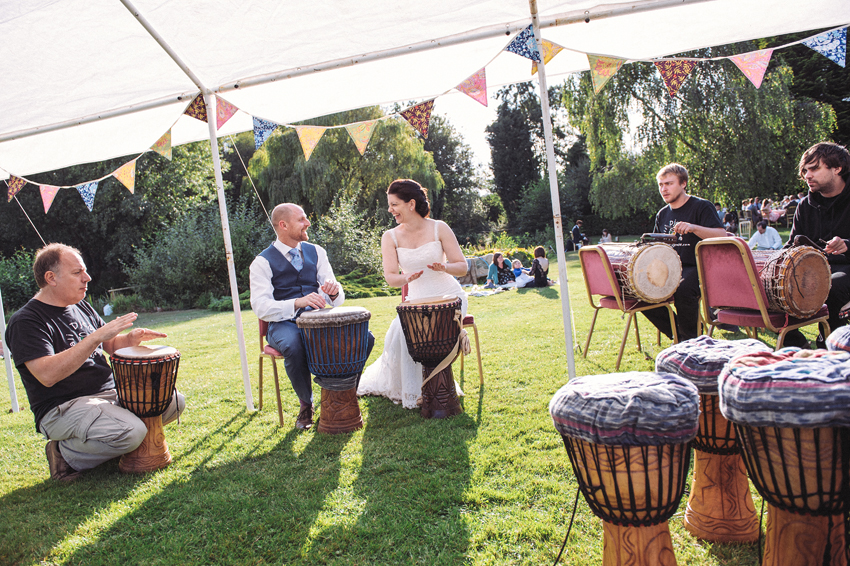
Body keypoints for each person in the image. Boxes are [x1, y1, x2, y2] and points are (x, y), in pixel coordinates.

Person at [4, 243, 185, 482]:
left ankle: (108, 439)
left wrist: (130, 339)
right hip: (63, 407)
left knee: (173, 402)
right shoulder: (26, 321)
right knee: (133, 432)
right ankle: (63, 454)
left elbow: (108, 345)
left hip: (108, 394)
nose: (87, 278)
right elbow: (46, 374)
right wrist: (95, 337)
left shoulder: (80, 306)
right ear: (51, 278)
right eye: (77, 273)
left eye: (85, 271)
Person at [250, 203, 373, 431]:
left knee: (366, 337)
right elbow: (261, 307)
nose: (307, 223)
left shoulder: (317, 251)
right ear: (283, 225)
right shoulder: (262, 262)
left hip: (319, 320)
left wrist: (334, 291)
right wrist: (297, 303)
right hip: (282, 325)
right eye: (302, 219)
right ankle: (306, 404)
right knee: (294, 345)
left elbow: (337, 295)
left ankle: (344, 392)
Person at [357, 179, 468, 409]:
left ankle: (435, 386)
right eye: (389, 204)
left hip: (448, 296)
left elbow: (462, 267)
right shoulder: (390, 237)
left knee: (435, 334)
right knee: (398, 336)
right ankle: (419, 390)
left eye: (394, 204)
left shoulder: (439, 227)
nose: (390, 210)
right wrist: (405, 278)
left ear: (411, 204)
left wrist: (444, 266)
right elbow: (390, 277)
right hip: (415, 299)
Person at [641, 163, 726, 342]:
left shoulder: (702, 206)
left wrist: (694, 228)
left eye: (669, 184)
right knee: (641, 289)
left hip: (700, 267)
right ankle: (681, 336)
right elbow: (658, 248)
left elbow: (721, 234)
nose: (663, 189)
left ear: (683, 184)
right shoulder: (662, 214)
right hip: (671, 268)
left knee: (682, 288)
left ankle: (690, 339)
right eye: (661, 185)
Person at [781, 142, 850, 349]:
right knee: (777, 287)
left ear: (836, 168)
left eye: (814, 168)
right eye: (805, 170)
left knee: (829, 285)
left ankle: (829, 346)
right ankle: (795, 344)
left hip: (845, 270)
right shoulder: (804, 206)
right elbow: (791, 244)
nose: (807, 175)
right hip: (814, 269)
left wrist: (847, 245)